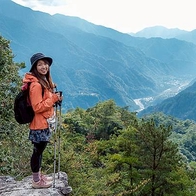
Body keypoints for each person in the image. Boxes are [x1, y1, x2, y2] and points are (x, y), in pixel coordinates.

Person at [22, 53, 62, 189]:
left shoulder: (43, 82)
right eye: (40, 64)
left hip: (44, 123)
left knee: (39, 151)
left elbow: (46, 100)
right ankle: (36, 181)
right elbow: (37, 107)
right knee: (37, 152)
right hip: (39, 125)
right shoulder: (36, 85)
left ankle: (38, 177)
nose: (44, 66)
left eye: (45, 63)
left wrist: (54, 97)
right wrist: (54, 99)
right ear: (35, 67)